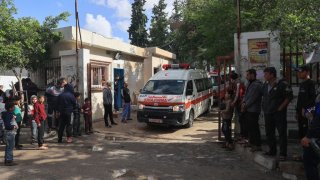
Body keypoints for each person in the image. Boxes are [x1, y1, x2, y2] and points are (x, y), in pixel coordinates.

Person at [262, 67, 293, 161]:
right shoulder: (265, 85)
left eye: (266, 74)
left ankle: (283, 153)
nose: (264, 76)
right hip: (268, 112)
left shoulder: (282, 84)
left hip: (278, 113)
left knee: (282, 133)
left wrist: (281, 107)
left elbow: (289, 97)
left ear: (272, 74)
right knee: (269, 132)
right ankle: (272, 150)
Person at [301, 81, 320, 180]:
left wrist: (308, 136)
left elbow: (318, 117)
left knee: (309, 160)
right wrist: (308, 111)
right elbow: (316, 109)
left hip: (316, 135)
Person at [241, 69, 263, 152]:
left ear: (252, 75)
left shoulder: (256, 85)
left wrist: (245, 105)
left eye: (247, 75)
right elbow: (246, 95)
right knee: (249, 127)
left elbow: (252, 98)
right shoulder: (249, 83)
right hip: (248, 109)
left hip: (253, 109)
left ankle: (257, 144)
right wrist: (243, 102)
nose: (246, 77)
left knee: (254, 127)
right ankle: (251, 142)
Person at [295, 65, 316, 139]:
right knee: (301, 132)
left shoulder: (311, 83)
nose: (299, 74)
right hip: (300, 112)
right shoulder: (302, 84)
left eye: (301, 72)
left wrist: (305, 108)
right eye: (298, 72)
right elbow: (300, 99)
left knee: (307, 132)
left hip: (307, 112)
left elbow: (313, 99)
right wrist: (297, 111)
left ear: (307, 72)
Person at [229, 72, 247, 142]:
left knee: (242, 121)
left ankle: (244, 136)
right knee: (241, 120)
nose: (231, 80)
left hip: (240, 104)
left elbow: (237, 95)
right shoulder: (237, 84)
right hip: (239, 104)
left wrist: (233, 102)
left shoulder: (238, 84)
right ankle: (242, 136)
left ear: (233, 79)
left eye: (231, 79)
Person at [2, 101, 18, 166]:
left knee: (9, 146)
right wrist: (13, 126)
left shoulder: (8, 113)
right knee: (10, 147)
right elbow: (7, 125)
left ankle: (7, 159)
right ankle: (9, 160)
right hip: (10, 132)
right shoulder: (8, 114)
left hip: (9, 132)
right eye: (13, 106)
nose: (14, 107)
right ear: (11, 108)